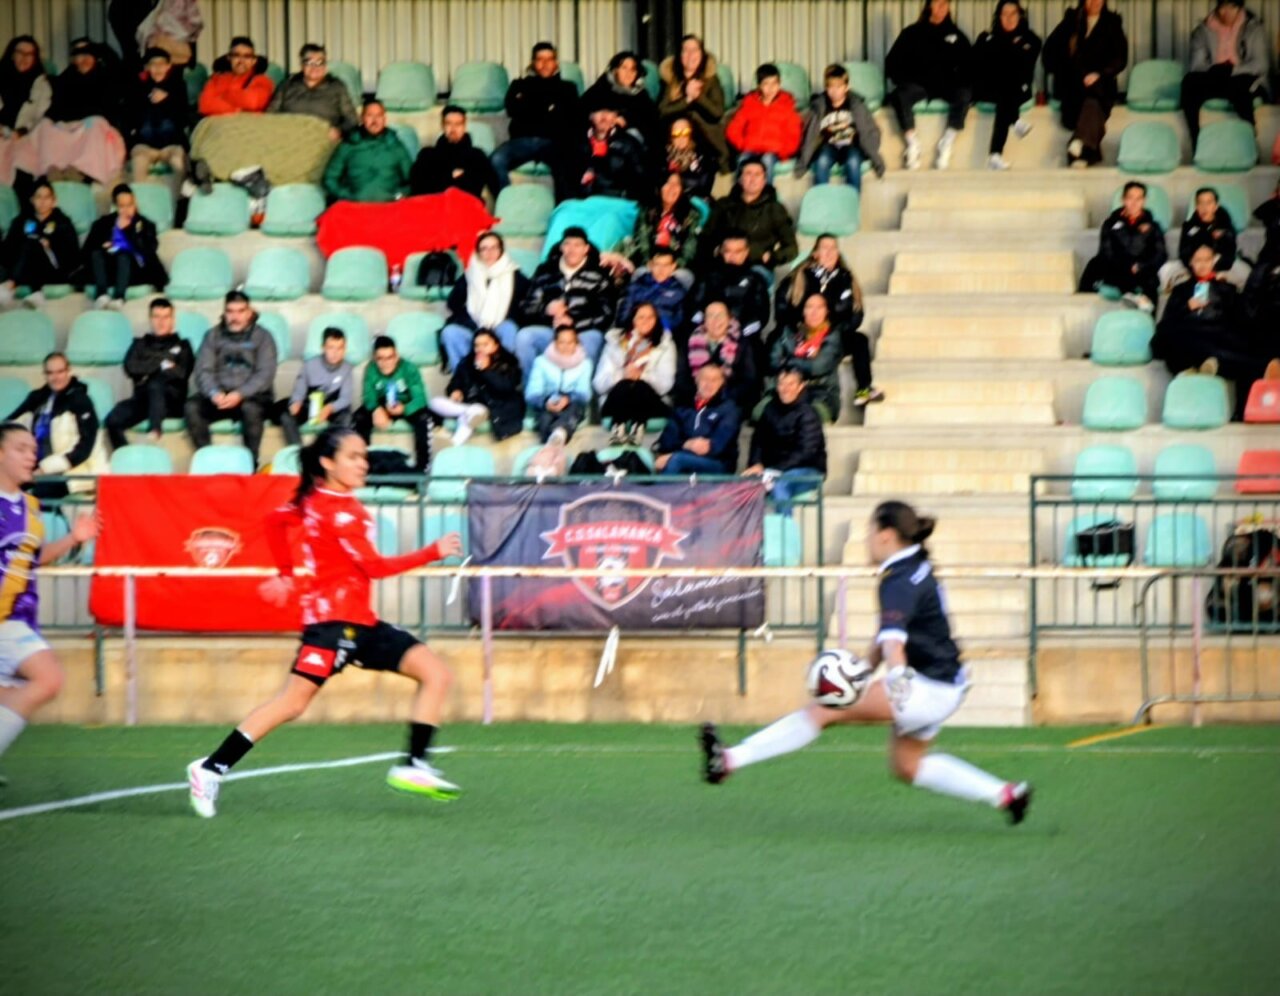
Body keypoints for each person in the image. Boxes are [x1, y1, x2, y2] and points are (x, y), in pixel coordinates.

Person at [699, 500, 1034, 826]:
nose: (866, 539)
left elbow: (893, 642)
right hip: (946, 684)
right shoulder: (915, 563)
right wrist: (864, 671)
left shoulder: (897, 580)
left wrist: (897, 679)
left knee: (825, 709)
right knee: (908, 766)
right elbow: (889, 633)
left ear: (886, 535)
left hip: (927, 687)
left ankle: (729, 759)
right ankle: (1007, 794)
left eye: (870, 530)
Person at [186, 427, 465, 818]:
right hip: (331, 626)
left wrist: (285, 573)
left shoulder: (314, 501)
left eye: (363, 456)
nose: (361, 463)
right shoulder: (339, 512)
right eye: (352, 456)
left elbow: (274, 521)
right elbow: (374, 567)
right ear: (327, 463)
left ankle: (414, 765)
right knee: (292, 703)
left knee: (436, 674)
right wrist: (432, 551)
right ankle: (210, 768)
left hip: (360, 622)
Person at [0, 422, 99, 777]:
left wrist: (74, 537)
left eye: (33, 449)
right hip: (5, 620)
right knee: (48, 679)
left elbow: (32, 558)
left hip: (20, 618)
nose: (32, 456)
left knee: (18, 690)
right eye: (21, 449)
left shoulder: (30, 506)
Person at [1152, 244, 1267, 421]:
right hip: (1188, 335)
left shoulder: (1227, 289)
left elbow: (1241, 322)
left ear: (1214, 261)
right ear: (1191, 263)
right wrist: (1185, 307)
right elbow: (1165, 325)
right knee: (1175, 335)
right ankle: (1206, 362)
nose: (1203, 264)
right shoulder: (1180, 290)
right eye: (1198, 260)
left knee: (1242, 343)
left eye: (1207, 259)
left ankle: (1202, 364)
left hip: (1217, 337)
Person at [775, 234, 883, 407]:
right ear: (815, 253)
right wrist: (800, 328)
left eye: (833, 248)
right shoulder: (799, 277)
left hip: (833, 335)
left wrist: (833, 331)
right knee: (775, 340)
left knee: (859, 340)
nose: (829, 252)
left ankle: (863, 389)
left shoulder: (846, 279)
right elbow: (782, 308)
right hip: (801, 334)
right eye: (824, 248)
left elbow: (856, 313)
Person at [186, 290, 278, 466]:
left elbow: (265, 374)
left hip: (252, 396)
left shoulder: (263, 337)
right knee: (191, 407)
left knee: (251, 409)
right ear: (224, 312)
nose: (235, 317)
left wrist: (240, 394)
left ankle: (250, 464)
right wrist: (214, 393)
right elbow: (203, 370)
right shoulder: (212, 336)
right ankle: (208, 461)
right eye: (230, 311)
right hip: (220, 396)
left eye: (240, 311)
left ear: (249, 312)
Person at [885, 0, 974, 171]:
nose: (942, 7)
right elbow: (892, 63)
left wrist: (959, 79)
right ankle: (912, 144)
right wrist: (906, 78)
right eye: (938, 3)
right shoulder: (911, 33)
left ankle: (946, 143)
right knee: (900, 94)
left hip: (948, 85)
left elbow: (969, 66)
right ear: (929, 6)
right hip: (919, 85)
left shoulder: (957, 35)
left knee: (965, 93)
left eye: (945, 4)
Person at [4, 352, 106, 499]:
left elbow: (85, 448)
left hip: (74, 469)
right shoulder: (38, 397)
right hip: (38, 466)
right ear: (44, 375)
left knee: (40, 491)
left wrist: (46, 468)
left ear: (68, 371)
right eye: (50, 373)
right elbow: (10, 424)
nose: (56, 377)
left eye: (60, 372)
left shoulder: (81, 400)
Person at [515, 227, 615, 377]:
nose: (572, 249)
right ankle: (532, 391)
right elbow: (526, 307)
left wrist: (572, 322)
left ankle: (580, 394)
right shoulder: (545, 271)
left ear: (586, 249)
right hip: (550, 329)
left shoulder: (599, 275)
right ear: (561, 247)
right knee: (525, 336)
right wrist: (546, 310)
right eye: (567, 244)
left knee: (593, 338)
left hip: (582, 331)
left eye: (577, 245)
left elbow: (606, 313)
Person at [490, 42, 580, 201]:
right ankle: (508, 203)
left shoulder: (568, 88)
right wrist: (549, 108)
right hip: (521, 142)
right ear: (533, 62)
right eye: (540, 59)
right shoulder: (518, 84)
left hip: (553, 143)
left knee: (568, 164)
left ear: (556, 62)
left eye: (549, 59)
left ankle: (564, 212)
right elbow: (512, 109)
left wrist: (529, 104)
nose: (545, 64)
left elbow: (570, 119)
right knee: (496, 159)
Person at [1043, 0, 1128, 168]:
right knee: (1092, 104)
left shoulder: (1112, 22)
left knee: (1094, 98)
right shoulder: (1071, 21)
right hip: (1073, 87)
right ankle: (1084, 146)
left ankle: (1079, 145)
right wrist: (1068, 71)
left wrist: (1100, 74)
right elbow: (1049, 53)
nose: (1095, 1)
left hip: (1101, 84)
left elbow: (1120, 58)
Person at [103, 296, 193, 447]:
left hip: (172, 402)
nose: (161, 321)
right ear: (150, 319)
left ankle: (155, 430)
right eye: (156, 316)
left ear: (173, 320)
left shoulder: (183, 346)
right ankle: (127, 459)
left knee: (155, 384)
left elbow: (182, 373)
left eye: (166, 317)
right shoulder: (139, 344)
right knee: (112, 420)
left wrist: (146, 372)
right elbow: (130, 368)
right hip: (142, 401)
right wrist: (163, 363)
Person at [1182, 2, 1269, 148]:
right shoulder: (1202, 31)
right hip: (1214, 76)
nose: (1226, 12)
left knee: (1240, 86)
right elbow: (1196, 65)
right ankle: (1196, 141)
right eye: (1222, 7)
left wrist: (1233, 70)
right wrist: (1218, 70)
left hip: (1242, 76)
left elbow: (1261, 64)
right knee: (1189, 82)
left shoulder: (1254, 29)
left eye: (1232, 7)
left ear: (1240, 8)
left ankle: (1250, 144)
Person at [440, 231, 530, 371]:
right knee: (450, 332)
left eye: (494, 248)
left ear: (501, 250)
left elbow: (526, 304)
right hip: (475, 328)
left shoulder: (515, 275)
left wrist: (504, 320)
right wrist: (475, 323)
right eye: (484, 248)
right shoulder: (470, 275)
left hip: (500, 328)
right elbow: (453, 303)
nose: (489, 253)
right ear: (478, 252)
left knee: (508, 328)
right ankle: (465, 379)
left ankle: (501, 374)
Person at [744, 367, 827, 515]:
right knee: (743, 484)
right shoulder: (769, 409)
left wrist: (773, 469)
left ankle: (785, 535)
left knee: (779, 483)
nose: (785, 389)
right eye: (782, 383)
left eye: (791, 384)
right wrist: (756, 463)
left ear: (801, 386)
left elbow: (806, 452)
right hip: (773, 470)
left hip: (808, 471)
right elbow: (758, 440)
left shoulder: (808, 413)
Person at [593, 302, 677, 445]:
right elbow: (599, 384)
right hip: (616, 400)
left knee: (639, 386)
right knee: (625, 384)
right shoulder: (614, 343)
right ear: (633, 319)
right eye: (641, 317)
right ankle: (618, 430)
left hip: (651, 402)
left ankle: (637, 429)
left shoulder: (665, 345)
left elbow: (666, 385)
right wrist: (622, 375)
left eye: (651, 317)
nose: (646, 321)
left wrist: (641, 375)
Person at [1078, 180, 1167, 312]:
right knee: (1096, 264)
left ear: (1144, 200)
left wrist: (1141, 265)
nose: (1134, 203)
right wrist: (1127, 265)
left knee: (1150, 281)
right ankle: (1130, 293)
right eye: (1130, 198)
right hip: (1117, 268)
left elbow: (1160, 254)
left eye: (1139, 198)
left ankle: (1146, 318)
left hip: (1141, 269)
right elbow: (1105, 252)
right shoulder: (1110, 223)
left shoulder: (1153, 226)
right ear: (1123, 199)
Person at [973, 1, 1042, 171]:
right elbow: (978, 65)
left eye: (1013, 13)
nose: (1009, 18)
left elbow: (1022, 64)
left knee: (1007, 89)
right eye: (1005, 14)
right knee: (1005, 88)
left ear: (1020, 15)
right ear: (998, 17)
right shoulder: (987, 38)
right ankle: (1015, 122)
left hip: (1018, 90)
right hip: (990, 89)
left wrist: (1003, 54)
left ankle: (995, 155)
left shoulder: (1031, 39)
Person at [428, 328, 524, 446]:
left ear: (495, 346)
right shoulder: (466, 363)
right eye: (477, 345)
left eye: (485, 345)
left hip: (494, 409)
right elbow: (454, 383)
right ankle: (468, 414)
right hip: (468, 406)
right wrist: (455, 391)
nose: (480, 349)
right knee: (434, 402)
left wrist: (486, 371)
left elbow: (505, 388)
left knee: (473, 413)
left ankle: (454, 443)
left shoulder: (508, 363)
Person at [795, 63, 885, 189]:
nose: (834, 91)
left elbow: (869, 131)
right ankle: (821, 204)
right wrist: (802, 163)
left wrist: (876, 160)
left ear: (846, 87)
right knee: (822, 161)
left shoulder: (857, 106)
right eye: (831, 87)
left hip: (851, 146)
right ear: (826, 87)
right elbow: (809, 134)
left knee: (853, 162)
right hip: (828, 146)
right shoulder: (819, 106)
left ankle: (851, 203)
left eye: (839, 87)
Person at [700, 157, 798, 272]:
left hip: (757, 266)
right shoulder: (724, 204)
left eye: (757, 175)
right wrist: (718, 251)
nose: (753, 179)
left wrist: (767, 257)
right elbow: (706, 237)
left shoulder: (775, 209)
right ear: (740, 179)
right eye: (748, 174)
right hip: (723, 263)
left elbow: (791, 249)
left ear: (764, 180)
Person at [81, 183, 168, 308]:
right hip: (109, 271)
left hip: (135, 271)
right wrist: (104, 246)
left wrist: (127, 231)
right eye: (122, 206)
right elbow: (86, 252)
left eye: (130, 204)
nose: (127, 209)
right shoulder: (102, 224)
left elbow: (149, 252)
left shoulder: (146, 225)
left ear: (135, 203)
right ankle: (101, 296)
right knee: (97, 253)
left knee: (123, 254)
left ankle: (119, 297)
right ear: (115, 206)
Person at [354, 335, 432, 472]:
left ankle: (422, 467)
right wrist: (376, 410)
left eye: (390, 357)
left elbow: (420, 399)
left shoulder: (409, 368)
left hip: (405, 403)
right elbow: (368, 396)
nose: (385, 363)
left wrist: (405, 409)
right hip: (382, 404)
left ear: (396, 356)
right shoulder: (371, 369)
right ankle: (363, 464)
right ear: (374, 358)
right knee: (359, 417)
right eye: (380, 358)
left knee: (423, 417)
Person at [0, 178, 81, 309]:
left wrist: (51, 246)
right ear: (32, 200)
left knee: (33, 244)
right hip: (25, 269)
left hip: (52, 270)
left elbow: (73, 254)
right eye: (38, 197)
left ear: (53, 200)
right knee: (30, 243)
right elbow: (8, 249)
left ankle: (10, 285)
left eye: (46, 197)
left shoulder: (62, 222)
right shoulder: (22, 220)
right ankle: (36, 292)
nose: (42, 202)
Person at [658, 34, 730, 173]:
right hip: (674, 136)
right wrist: (687, 100)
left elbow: (717, 113)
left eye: (695, 50)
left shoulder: (711, 80)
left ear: (702, 54)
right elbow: (662, 111)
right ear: (680, 55)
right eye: (686, 50)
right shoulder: (671, 79)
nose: (690, 55)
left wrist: (698, 96)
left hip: (703, 136)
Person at [768, 293, 844, 422]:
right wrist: (802, 363)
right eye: (809, 307)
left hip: (821, 395)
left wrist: (788, 361)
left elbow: (817, 367)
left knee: (803, 417)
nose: (814, 312)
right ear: (803, 310)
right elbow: (773, 361)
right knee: (761, 413)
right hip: (785, 393)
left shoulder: (833, 335)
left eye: (819, 307)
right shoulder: (788, 332)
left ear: (827, 311)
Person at [274, 326, 355, 447]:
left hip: (332, 406)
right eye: (331, 348)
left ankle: (333, 450)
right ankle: (298, 451)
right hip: (310, 404)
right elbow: (299, 390)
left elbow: (345, 398)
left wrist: (329, 408)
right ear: (323, 348)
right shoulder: (310, 365)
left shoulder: (347, 368)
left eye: (339, 348)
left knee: (346, 417)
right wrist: (296, 403)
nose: (335, 353)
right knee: (286, 416)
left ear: (345, 349)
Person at [654, 363, 740, 475]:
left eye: (714, 380)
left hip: (718, 464)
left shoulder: (729, 409)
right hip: (684, 459)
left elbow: (715, 447)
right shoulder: (682, 406)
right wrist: (686, 444)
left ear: (721, 383)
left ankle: (658, 492)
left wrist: (673, 455)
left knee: (677, 460)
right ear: (697, 380)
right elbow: (666, 441)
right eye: (705, 379)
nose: (709, 384)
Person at [322, 99, 411, 203]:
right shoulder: (348, 145)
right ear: (362, 118)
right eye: (370, 115)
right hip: (355, 207)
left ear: (384, 119)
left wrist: (398, 195)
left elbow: (411, 179)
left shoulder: (396, 145)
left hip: (389, 207)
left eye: (379, 115)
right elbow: (330, 179)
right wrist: (348, 196)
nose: (375, 121)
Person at [725, 63, 803, 181]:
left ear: (779, 84)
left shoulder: (787, 106)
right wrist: (743, 144)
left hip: (773, 151)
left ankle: (767, 195)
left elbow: (794, 134)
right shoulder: (750, 104)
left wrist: (783, 152)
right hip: (751, 148)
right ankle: (738, 195)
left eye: (774, 83)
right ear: (759, 86)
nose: (771, 88)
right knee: (742, 160)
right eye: (766, 84)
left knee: (767, 161)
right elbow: (733, 129)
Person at [689, 231, 773, 341]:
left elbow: (761, 314)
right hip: (708, 333)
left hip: (742, 337)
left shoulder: (755, 281)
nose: (732, 256)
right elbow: (694, 304)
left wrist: (741, 331)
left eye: (738, 251)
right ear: (721, 251)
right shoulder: (708, 277)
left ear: (746, 252)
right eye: (728, 251)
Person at [680, 300, 759, 413]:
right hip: (694, 400)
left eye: (720, 315)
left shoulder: (742, 343)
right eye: (710, 315)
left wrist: (720, 397)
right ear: (704, 321)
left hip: (728, 401)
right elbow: (681, 377)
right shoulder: (690, 340)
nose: (715, 320)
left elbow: (748, 379)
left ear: (729, 319)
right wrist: (700, 395)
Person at [1161, 186, 1247, 290]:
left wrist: (1210, 268)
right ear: (1196, 206)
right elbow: (1184, 253)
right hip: (1194, 266)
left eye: (1209, 203)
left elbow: (1229, 255)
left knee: (1244, 273)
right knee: (1166, 270)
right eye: (1200, 203)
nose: (1204, 207)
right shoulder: (1189, 226)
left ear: (1216, 206)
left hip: (1219, 267)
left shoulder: (1226, 227)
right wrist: (1197, 267)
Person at [267, 43, 358, 140]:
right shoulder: (286, 85)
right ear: (302, 65)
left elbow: (352, 119)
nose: (315, 67)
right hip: (290, 138)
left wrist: (339, 131)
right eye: (309, 63)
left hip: (324, 139)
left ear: (325, 65)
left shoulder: (337, 87)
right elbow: (270, 115)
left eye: (320, 63)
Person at [619, 173, 702, 276]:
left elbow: (690, 247)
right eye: (668, 183)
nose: (672, 188)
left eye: (677, 184)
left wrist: (676, 264)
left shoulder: (691, 214)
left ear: (682, 190)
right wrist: (648, 262)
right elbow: (642, 238)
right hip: (650, 263)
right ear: (660, 188)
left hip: (675, 267)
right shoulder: (647, 209)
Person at [409, 104, 499, 199]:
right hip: (433, 206)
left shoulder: (477, 156)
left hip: (464, 207)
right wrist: (451, 176)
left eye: (458, 124)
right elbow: (418, 186)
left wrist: (439, 178)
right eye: (448, 123)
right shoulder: (427, 154)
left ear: (464, 127)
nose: (453, 129)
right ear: (442, 126)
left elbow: (475, 188)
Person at [126, 47, 188, 181]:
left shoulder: (178, 86)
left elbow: (183, 117)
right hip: (144, 144)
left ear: (168, 66)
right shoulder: (137, 86)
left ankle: (177, 201)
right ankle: (138, 200)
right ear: (147, 67)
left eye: (161, 64)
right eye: (153, 65)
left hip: (171, 144)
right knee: (138, 164)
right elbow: (130, 116)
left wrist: (167, 100)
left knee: (178, 163)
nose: (158, 69)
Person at [525, 324, 593, 445]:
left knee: (571, 412)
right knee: (545, 418)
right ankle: (550, 442)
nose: (566, 346)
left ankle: (559, 433)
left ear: (576, 343)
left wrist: (568, 399)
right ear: (555, 343)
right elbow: (532, 392)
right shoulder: (541, 362)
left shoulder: (585, 364)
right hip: (548, 401)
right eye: (562, 342)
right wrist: (546, 402)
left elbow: (584, 393)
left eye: (570, 342)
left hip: (572, 402)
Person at [582, 51, 661, 156]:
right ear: (615, 70)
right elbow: (582, 112)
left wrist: (627, 120)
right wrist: (609, 120)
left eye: (633, 69)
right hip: (603, 141)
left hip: (633, 142)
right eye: (624, 68)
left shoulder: (641, 95)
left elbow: (652, 120)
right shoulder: (600, 89)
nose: (628, 73)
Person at [576, 99, 648, 201]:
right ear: (591, 116)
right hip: (582, 202)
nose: (604, 117)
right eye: (599, 111)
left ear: (616, 117)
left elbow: (640, 180)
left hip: (616, 201)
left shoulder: (629, 144)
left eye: (609, 112)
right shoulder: (577, 142)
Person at [47, 38, 124, 131]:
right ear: (74, 60)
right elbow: (55, 109)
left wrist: (101, 47)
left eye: (88, 53)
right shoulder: (67, 78)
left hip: (96, 130)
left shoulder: (105, 76)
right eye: (80, 54)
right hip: (70, 129)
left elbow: (118, 71)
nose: (85, 59)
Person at [197, 36, 275, 117]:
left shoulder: (263, 80)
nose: (241, 61)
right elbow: (205, 106)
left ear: (254, 61)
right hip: (219, 126)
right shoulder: (216, 79)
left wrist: (223, 96)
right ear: (229, 58)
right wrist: (238, 110)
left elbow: (253, 102)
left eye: (247, 56)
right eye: (236, 55)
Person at [616, 248, 687, 333]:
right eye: (657, 265)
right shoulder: (637, 286)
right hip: (633, 332)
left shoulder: (679, 292)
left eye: (666, 265)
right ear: (650, 265)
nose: (661, 269)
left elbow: (680, 324)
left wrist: (656, 322)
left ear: (673, 267)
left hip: (662, 335)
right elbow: (622, 318)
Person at [0, 35, 52, 143]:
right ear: (12, 55)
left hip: (25, 138)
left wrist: (22, 131)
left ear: (35, 58)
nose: (24, 57)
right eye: (20, 52)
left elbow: (40, 116)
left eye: (29, 54)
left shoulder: (42, 85)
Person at [663, 115, 715, 199]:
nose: (681, 137)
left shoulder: (703, 154)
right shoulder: (663, 156)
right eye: (676, 134)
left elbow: (704, 185)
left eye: (685, 132)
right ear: (670, 137)